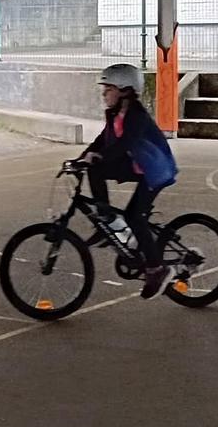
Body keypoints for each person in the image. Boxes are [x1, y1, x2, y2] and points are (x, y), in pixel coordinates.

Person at [76, 62, 179, 298]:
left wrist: (99, 157)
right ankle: (106, 220)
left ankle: (157, 269)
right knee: (95, 170)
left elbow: (124, 144)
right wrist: (81, 159)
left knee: (135, 217)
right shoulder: (114, 113)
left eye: (108, 88)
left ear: (125, 89)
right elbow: (103, 140)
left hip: (155, 170)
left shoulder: (136, 115)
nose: (104, 93)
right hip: (138, 166)